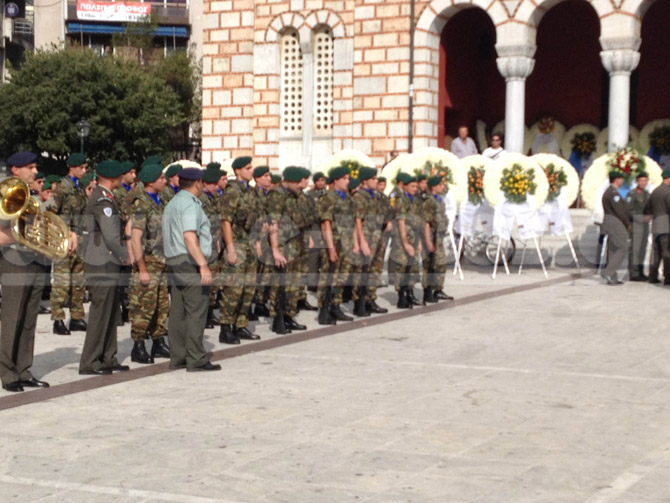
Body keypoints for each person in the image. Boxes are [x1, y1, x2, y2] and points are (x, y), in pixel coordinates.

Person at [0, 151, 66, 392]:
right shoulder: (8, 194)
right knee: (12, 319)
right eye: (30, 167)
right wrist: (24, 235)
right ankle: (8, 374)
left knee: (29, 320)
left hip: (36, 261)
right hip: (15, 261)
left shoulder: (32, 198)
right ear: (16, 170)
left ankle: (24, 370)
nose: (36, 171)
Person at [162, 168, 220, 371]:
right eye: (202, 183)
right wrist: (203, 264)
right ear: (197, 183)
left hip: (173, 261)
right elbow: (189, 236)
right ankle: (196, 358)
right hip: (189, 261)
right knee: (196, 310)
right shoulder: (189, 205)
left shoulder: (172, 203)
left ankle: (178, 356)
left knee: (178, 311)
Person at [79, 160, 131, 375]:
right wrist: (125, 255)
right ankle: (90, 361)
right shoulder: (102, 200)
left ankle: (108, 357)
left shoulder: (107, 197)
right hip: (102, 263)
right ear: (112, 179)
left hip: (107, 262)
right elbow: (110, 235)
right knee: (101, 312)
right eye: (120, 176)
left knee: (111, 312)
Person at [128, 164, 171, 364]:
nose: (165, 180)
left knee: (161, 305)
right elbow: (135, 238)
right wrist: (142, 268)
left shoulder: (159, 201)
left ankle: (158, 342)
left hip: (161, 261)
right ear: (151, 181)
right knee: (144, 306)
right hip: (149, 261)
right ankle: (138, 346)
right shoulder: (141, 204)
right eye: (161, 177)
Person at [219, 157, 263, 344]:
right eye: (248, 168)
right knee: (234, 288)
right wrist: (230, 248)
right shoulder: (232, 192)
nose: (251, 170)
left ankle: (241, 324)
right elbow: (226, 221)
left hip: (250, 243)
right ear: (237, 171)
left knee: (248, 287)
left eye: (251, 167)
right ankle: (226, 327)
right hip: (236, 243)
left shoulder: (252, 192)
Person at [48, 152, 89, 335]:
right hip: (64, 238)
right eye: (81, 167)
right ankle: (58, 319)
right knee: (62, 281)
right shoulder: (63, 187)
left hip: (79, 238)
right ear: (72, 167)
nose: (84, 170)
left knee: (78, 281)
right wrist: (64, 233)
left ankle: (77, 317)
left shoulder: (79, 187)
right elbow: (52, 214)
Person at [316, 166, 356, 324]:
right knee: (328, 276)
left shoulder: (347, 198)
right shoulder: (328, 198)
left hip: (346, 242)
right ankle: (324, 309)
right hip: (332, 242)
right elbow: (326, 224)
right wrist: (331, 248)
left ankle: (336, 306)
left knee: (341, 276)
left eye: (348, 178)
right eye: (344, 179)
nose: (347, 181)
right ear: (335, 180)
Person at [351, 167, 387, 315]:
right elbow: (357, 220)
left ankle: (370, 299)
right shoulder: (359, 196)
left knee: (375, 269)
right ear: (365, 181)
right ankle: (359, 301)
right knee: (362, 271)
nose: (376, 181)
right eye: (373, 179)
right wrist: (361, 241)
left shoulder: (376, 196)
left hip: (377, 236)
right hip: (366, 236)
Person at [390, 173, 423, 307]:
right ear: (404, 186)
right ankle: (402, 296)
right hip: (402, 237)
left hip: (414, 237)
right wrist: (405, 242)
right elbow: (401, 220)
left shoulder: (414, 200)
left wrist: (419, 241)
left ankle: (410, 293)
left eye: (416, 186)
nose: (415, 189)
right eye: (412, 186)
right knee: (402, 266)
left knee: (413, 266)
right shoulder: (399, 198)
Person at [421, 176, 454, 302]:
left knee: (440, 263)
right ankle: (428, 291)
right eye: (440, 184)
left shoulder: (439, 200)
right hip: (431, 236)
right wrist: (428, 241)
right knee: (429, 265)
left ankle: (438, 289)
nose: (443, 187)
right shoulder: (429, 201)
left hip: (439, 236)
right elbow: (426, 222)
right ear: (433, 186)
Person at [199, 164, 224, 328]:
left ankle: (209, 313)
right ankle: (204, 315)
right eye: (213, 184)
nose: (217, 187)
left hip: (215, 243)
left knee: (213, 283)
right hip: (204, 245)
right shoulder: (201, 199)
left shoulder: (213, 198)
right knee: (205, 283)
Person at [601, 171, 631, 285]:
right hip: (615, 221)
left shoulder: (611, 192)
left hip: (612, 220)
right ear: (616, 179)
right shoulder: (612, 193)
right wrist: (627, 222)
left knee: (614, 248)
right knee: (622, 246)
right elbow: (620, 210)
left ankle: (612, 277)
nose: (622, 181)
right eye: (621, 178)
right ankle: (608, 272)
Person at [625, 172, 651, 281]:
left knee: (643, 249)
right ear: (637, 181)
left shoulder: (647, 194)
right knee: (635, 249)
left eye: (645, 181)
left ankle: (641, 270)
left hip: (645, 225)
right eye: (641, 181)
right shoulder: (632, 194)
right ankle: (633, 272)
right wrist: (641, 218)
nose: (643, 183)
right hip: (635, 224)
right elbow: (628, 210)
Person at [647, 169, 670, 284]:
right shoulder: (667, 192)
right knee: (666, 252)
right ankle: (668, 276)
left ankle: (652, 275)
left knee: (655, 252)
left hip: (656, 224)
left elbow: (649, 207)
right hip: (666, 225)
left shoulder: (655, 191)